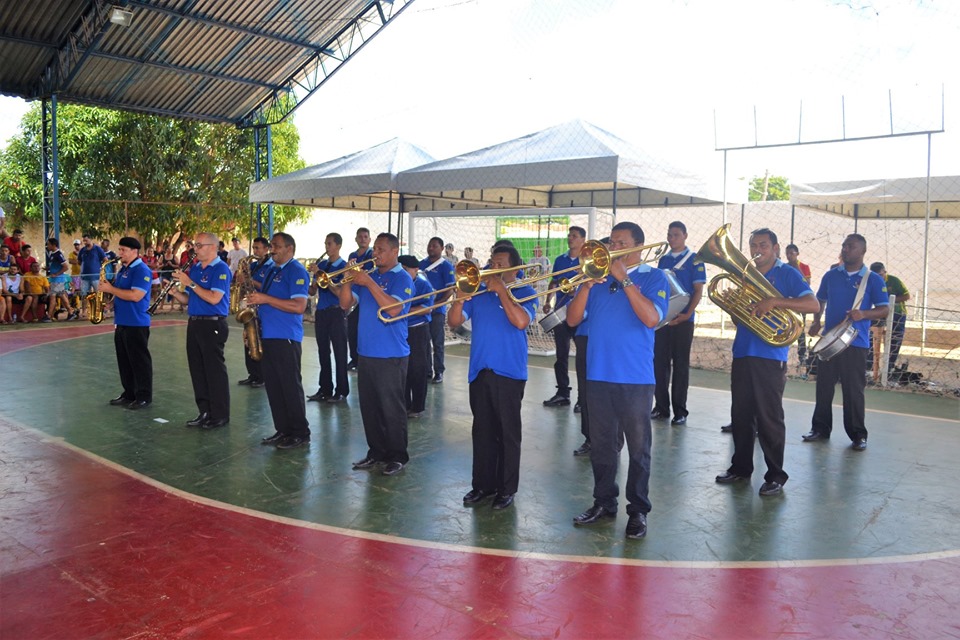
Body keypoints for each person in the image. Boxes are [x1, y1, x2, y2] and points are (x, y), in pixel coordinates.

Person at [567, 221, 669, 539]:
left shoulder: (654, 277)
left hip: (635, 378)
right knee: (602, 446)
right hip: (598, 375)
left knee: (638, 448)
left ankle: (638, 510)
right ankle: (603, 502)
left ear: (637, 246)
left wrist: (624, 279)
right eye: (610, 242)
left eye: (619, 242)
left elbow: (652, 317)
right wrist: (585, 285)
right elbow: (572, 319)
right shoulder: (595, 281)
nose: (611, 248)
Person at [714, 228, 818, 497]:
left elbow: (813, 305)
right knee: (741, 415)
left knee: (769, 418)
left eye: (763, 244)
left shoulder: (787, 273)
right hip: (744, 353)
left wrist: (775, 302)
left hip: (770, 357)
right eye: (752, 245)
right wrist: (733, 308)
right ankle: (741, 468)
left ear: (775, 248)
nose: (757, 249)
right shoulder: (746, 274)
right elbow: (743, 319)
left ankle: (775, 476)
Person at [448, 244, 537, 511]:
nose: (493, 268)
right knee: (482, 431)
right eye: (492, 262)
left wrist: (502, 293)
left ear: (514, 267)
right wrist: (461, 297)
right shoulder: (479, 291)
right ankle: (482, 485)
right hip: (480, 370)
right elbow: (454, 321)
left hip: (509, 372)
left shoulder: (526, 290)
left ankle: (506, 489)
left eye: (500, 264)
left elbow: (521, 322)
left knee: (508, 434)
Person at [803, 235, 889, 451]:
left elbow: (885, 309)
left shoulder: (873, 279)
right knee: (824, 388)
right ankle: (820, 429)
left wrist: (864, 314)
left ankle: (858, 434)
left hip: (856, 342)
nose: (846, 249)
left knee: (853, 391)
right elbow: (820, 300)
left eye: (851, 246)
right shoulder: (831, 276)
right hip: (830, 341)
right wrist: (816, 321)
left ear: (862, 251)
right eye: (844, 245)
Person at [338, 232, 413, 477]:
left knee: (391, 408)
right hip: (366, 352)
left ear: (394, 252)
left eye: (381, 249)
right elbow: (344, 304)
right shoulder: (369, 276)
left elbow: (393, 310)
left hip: (391, 354)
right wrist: (348, 280)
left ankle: (397, 456)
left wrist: (368, 283)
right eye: (375, 250)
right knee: (370, 407)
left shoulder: (402, 278)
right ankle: (376, 452)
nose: (376, 254)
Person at [248, 232, 311, 449]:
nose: (272, 249)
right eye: (272, 245)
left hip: (286, 337)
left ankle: (300, 432)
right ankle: (283, 429)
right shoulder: (272, 270)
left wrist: (264, 299)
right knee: (274, 387)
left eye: (276, 246)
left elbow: (299, 306)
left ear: (290, 249)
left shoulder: (297, 271)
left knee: (290, 386)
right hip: (267, 335)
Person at [170, 232, 232, 430]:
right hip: (195, 322)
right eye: (195, 245)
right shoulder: (196, 268)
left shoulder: (221, 269)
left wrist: (190, 283)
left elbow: (214, 298)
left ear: (213, 247)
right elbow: (191, 299)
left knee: (214, 371)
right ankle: (204, 411)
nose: (195, 249)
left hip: (213, 324)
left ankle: (220, 414)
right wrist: (176, 293)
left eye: (199, 245)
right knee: (197, 370)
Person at [652, 221, 706, 425]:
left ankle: (680, 411)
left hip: (683, 320)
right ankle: (661, 407)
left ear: (685, 235)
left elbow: (698, 290)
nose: (671, 238)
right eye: (669, 234)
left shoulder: (695, 260)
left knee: (681, 366)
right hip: (664, 321)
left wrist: (686, 314)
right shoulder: (663, 260)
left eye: (675, 234)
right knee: (660, 364)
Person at [99, 237, 153, 410]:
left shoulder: (142, 270)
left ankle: (144, 396)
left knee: (139, 362)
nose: (120, 253)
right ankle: (129, 393)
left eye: (123, 250)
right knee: (124, 361)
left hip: (136, 323)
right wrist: (110, 303)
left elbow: (136, 295)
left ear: (134, 251)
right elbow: (120, 292)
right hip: (121, 322)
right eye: (120, 250)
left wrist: (110, 289)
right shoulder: (123, 269)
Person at [542, 226, 586, 409]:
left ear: (583, 239)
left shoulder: (588, 260)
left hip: (582, 315)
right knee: (561, 355)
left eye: (574, 236)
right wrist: (548, 301)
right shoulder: (560, 260)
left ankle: (583, 399)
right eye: (569, 235)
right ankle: (562, 393)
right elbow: (554, 282)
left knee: (583, 358)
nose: (570, 239)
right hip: (561, 313)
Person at [307, 233, 350, 403]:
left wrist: (321, 275)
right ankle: (324, 389)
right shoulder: (323, 264)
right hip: (322, 312)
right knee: (323, 352)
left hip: (336, 312)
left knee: (340, 353)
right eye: (325, 243)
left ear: (338, 245)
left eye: (330, 244)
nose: (327, 247)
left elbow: (339, 293)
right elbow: (312, 291)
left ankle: (341, 391)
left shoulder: (344, 266)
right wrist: (311, 277)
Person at [399, 255, 434, 418]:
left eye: (406, 270)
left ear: (415, 270)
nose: (404, 273)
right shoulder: (399, 283)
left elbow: (427, 308)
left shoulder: (423, 284)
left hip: (418, 330)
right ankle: (404, 404)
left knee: (418, 369)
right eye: (402, 270)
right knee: (403, 369)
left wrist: (404, 308)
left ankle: (418, 406)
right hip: (401, 330)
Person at [236, 237, 271, 388]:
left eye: (258, 248)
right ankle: (252, 374)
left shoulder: (270, 267)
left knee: (259, 341)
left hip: (262, 308)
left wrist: (249, 280)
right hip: (250, 306)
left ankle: (262, 376)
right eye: (254, 248)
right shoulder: (253, 265)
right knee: (247, 340)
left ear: (266, 249)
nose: (255, 251)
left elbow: (267, 287)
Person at [420, 236, 456, 384]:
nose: (431, 248)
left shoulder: (446, 266)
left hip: (437, 311)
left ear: (442, 249)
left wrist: (438, 303)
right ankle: (427, 370)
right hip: (422, 309)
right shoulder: (421, 264)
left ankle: (439, 371)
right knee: (423, 342)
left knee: (437, 342)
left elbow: (450, 289)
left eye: (434, 246)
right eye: (429, 245)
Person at [869, 262, 909, 372]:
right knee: (868, 333)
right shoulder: (870, 281)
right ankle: (869, 365)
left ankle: (889, 366)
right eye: (875, 275)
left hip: (897, 313)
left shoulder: (894, 281)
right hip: (879, 312)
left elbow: (906, 295)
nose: (879, 278)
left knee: (895, 338)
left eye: (881, 275)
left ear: (885, 273)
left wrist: (889, 301)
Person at [346, 227, 373, 370]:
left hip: (367, 295)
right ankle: (354, 358)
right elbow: (350, 273)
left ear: (369, 239)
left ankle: (363, 358)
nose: (362, 239)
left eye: (365, 236)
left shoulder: (372, 254)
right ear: (356, 239)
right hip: (355, 292)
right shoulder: (352, 255)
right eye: (360, 237)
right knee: (352, 328)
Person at [785, 243, 813, 367]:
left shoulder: (804, 267)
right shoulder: (784, 267)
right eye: (787, 253)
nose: (789, 256)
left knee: (800, 331)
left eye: (792, 253)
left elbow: (807, 283)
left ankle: (802, 356)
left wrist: (796, 267)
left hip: (800, 303)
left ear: (797, 254)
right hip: (787, 302)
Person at [44, 237, 75, 321]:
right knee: (62, 295)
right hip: (55, 279)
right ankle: (71, 312)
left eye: (49, 244)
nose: (47, 246)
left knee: (53, 296)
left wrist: (56, 274)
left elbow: (66, 267)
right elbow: (55, 266)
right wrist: (48, 269)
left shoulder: (58, 254)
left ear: (53, 245)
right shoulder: (52, 254)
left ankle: (49, 316)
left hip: (58, 280)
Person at [77, 234, 106, 319]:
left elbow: (105, 260)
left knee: (98, 294)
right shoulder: (82, 250)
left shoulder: (97, 249)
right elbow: (79, 261)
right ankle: (84, 311)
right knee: (84, 294)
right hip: (85, 277)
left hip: (96, 276)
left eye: (86, 240)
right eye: (84, 241)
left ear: (91, 239)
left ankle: (100, 311)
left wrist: (99, 268)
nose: (85, 242)